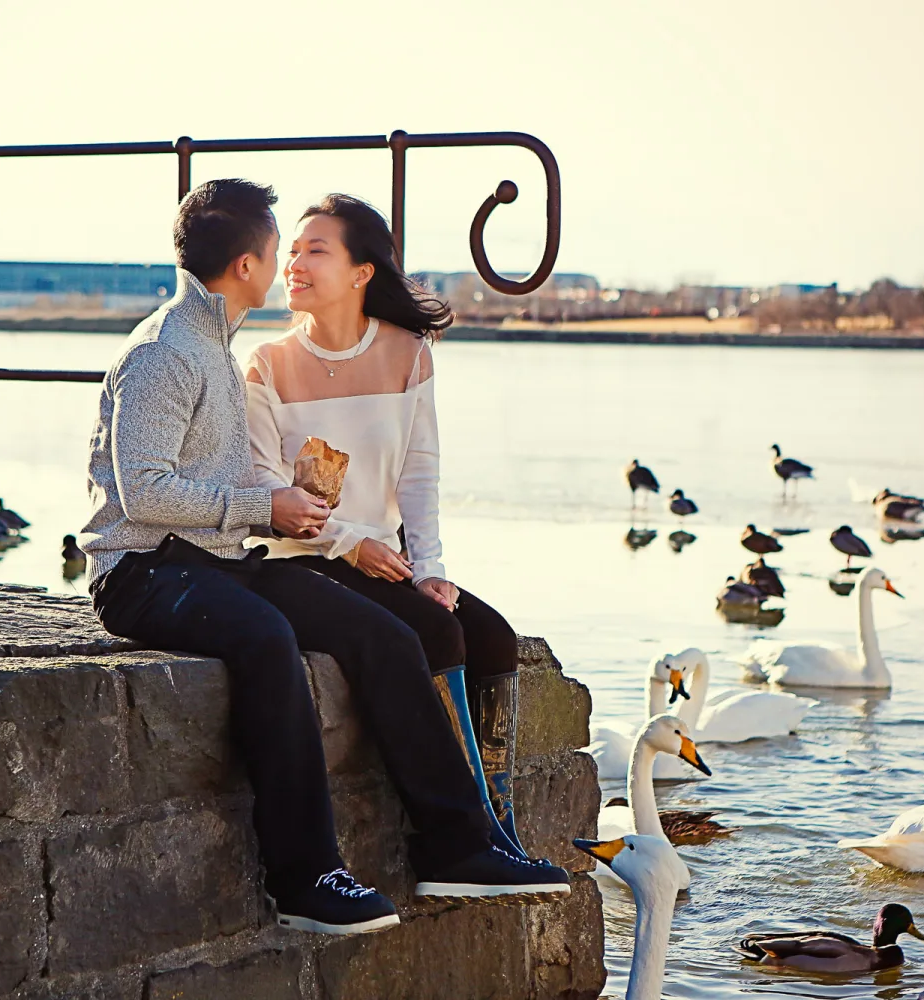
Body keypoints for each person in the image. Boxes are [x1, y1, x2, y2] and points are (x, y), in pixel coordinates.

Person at [80, 179, 568, 938]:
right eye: (281, 250)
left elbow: (240, 475)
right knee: (268, 639)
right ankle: (307, 877)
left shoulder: (215, 347)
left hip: (212, 560)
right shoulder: (165, 353)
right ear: (248, 264)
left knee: (383, 634)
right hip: (141, 572)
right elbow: (142, 494)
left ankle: (459, 845)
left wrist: (290, 502)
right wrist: (269, 508)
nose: (287, 265)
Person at [244, 193, 550, 864]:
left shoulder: (407, 352)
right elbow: (267, 486)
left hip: (388, 557)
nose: (294, 263)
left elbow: (420, 473)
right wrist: (351, 543)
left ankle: (498, 821)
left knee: (491, 635)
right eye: (291, 251)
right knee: (436, 632)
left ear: (362, 272)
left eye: (315, 249)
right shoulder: (265, 365)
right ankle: (462, 836)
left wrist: (432, 568)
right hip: (303, 558)